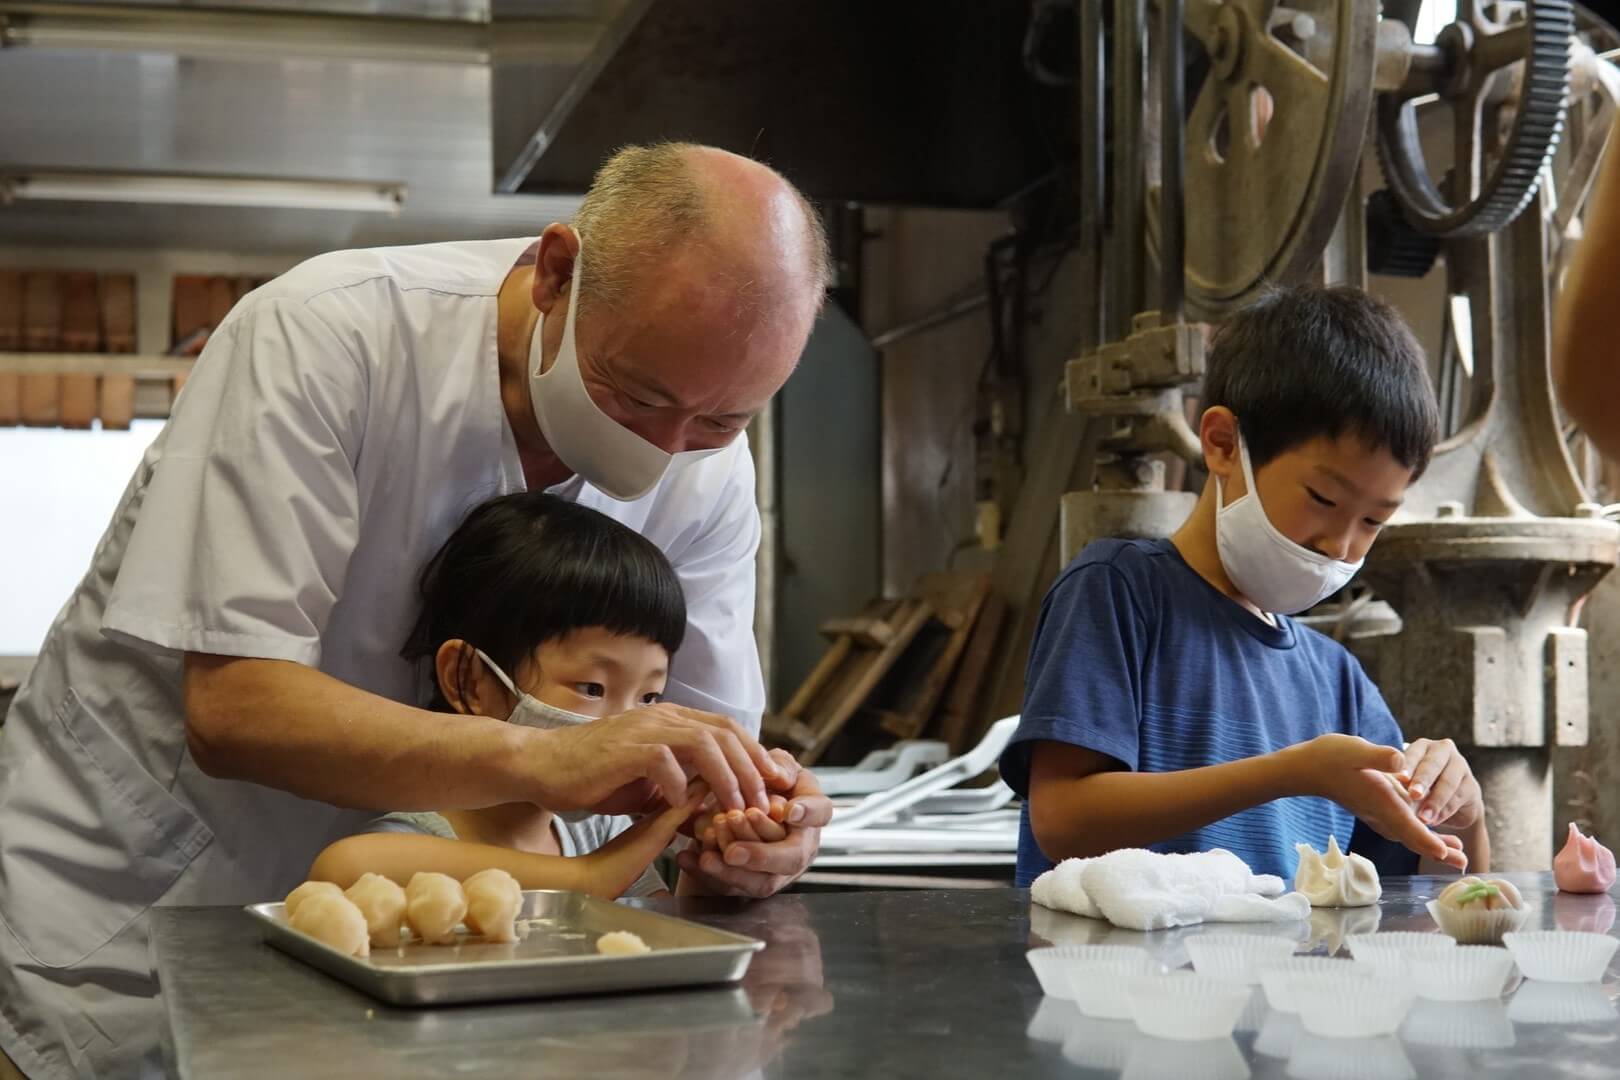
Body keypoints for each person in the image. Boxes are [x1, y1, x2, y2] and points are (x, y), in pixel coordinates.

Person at [0, 143, 834, 1079]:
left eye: (723, 422)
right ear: (557, 274)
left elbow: (700, 741)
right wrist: (552, 756)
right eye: (637, 395)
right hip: (148, 909)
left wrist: (745, 830)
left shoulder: (706, 462)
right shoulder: (323, 337)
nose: (667, 450)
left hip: (430, 981)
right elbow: (237, 708)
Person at [1000, 285, 1491, 886]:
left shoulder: (1337, 681)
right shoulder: (1118, 592)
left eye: (1372, 521)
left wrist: (1463, 815)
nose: (1339, 545)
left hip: (1278, 982)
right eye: (1323, 499)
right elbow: (1063, 819)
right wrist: (1291, 773)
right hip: (1120, 979)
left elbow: (1429, 897)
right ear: (1224, 445)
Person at [309, 491, 801, 896]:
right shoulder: (421, 832)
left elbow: (667, 933)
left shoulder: (593, 831)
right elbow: (346, 867)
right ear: (469, 680)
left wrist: (720, 860)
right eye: (592, 687)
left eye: (649, 698)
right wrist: (590, 875)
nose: (633, 725)